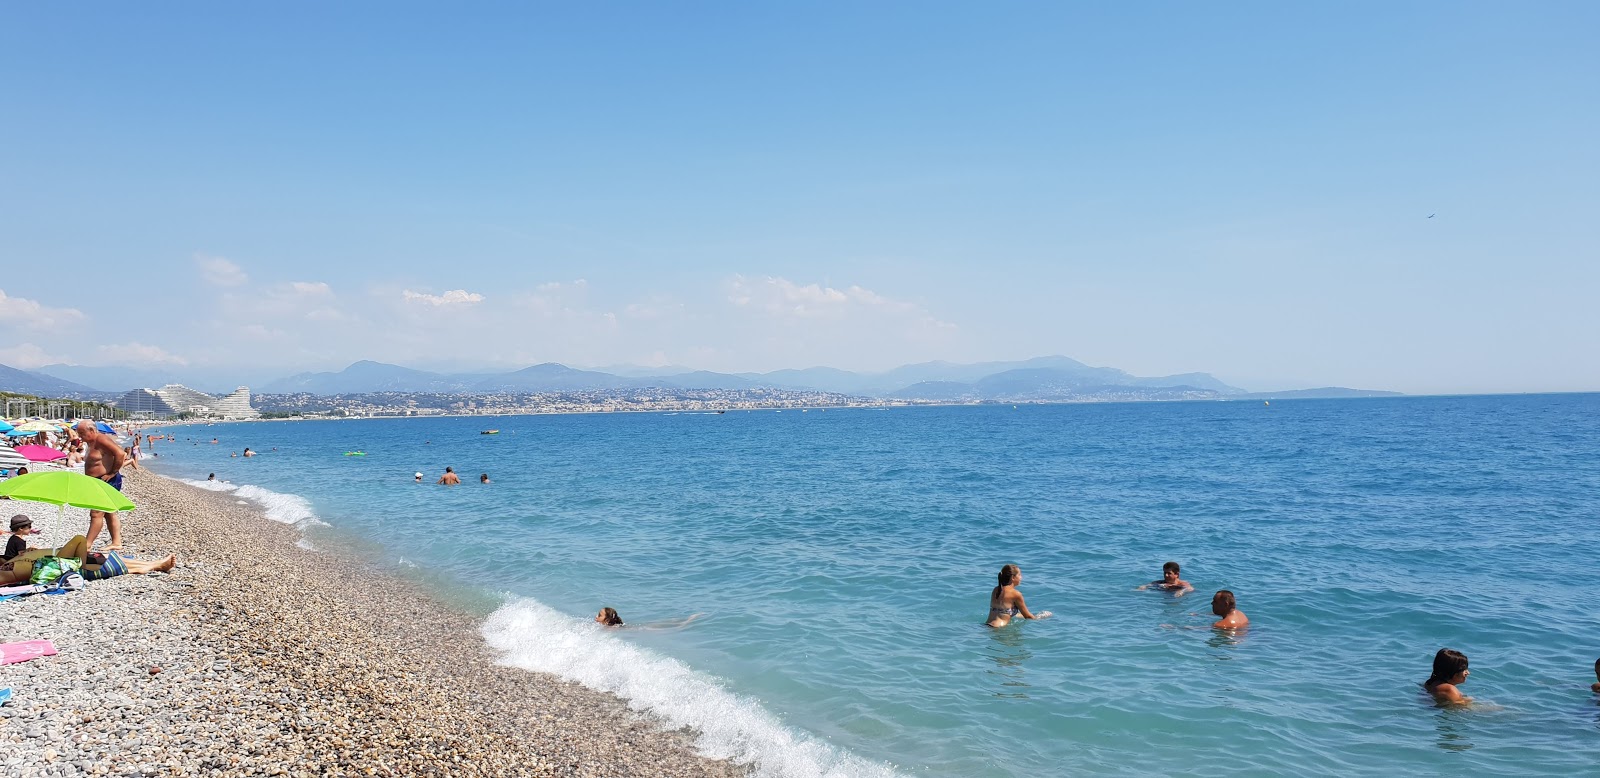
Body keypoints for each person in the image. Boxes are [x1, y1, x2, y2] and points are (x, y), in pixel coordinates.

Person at [0, 534, 174, 585]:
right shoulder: (5, 571)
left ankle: (148, 565)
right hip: (60, 566)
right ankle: (154, 565)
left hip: (59, 562)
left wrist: (29, 553)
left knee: (109, 557)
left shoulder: (8, 563)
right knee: (80, 540)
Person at [75, 420, 129, 551]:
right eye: (79, 433)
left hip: (106, 481)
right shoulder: (91, 442)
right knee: (109, 512)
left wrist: (112, 473)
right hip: (96, 481)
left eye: (82, 433)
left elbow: (121, 454)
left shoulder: (101, 439)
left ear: (92, 431)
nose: (80, 437)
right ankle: (116, 542)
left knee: (96, 513)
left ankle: (87, 544)